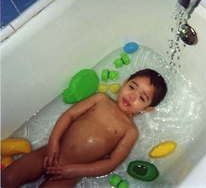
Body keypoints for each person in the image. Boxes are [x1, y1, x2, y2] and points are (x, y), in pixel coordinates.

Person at [2, 68, 167, 188]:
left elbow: (111, 163)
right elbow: (69, 115)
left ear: (146, 109)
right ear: (124, 83)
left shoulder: (130, 132)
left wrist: (73, 171)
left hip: (71, 174)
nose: (132, 96)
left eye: (142, 98)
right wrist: (53, 143)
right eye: (132, 87)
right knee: (8, 178)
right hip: (50, 153)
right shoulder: (100, 99)